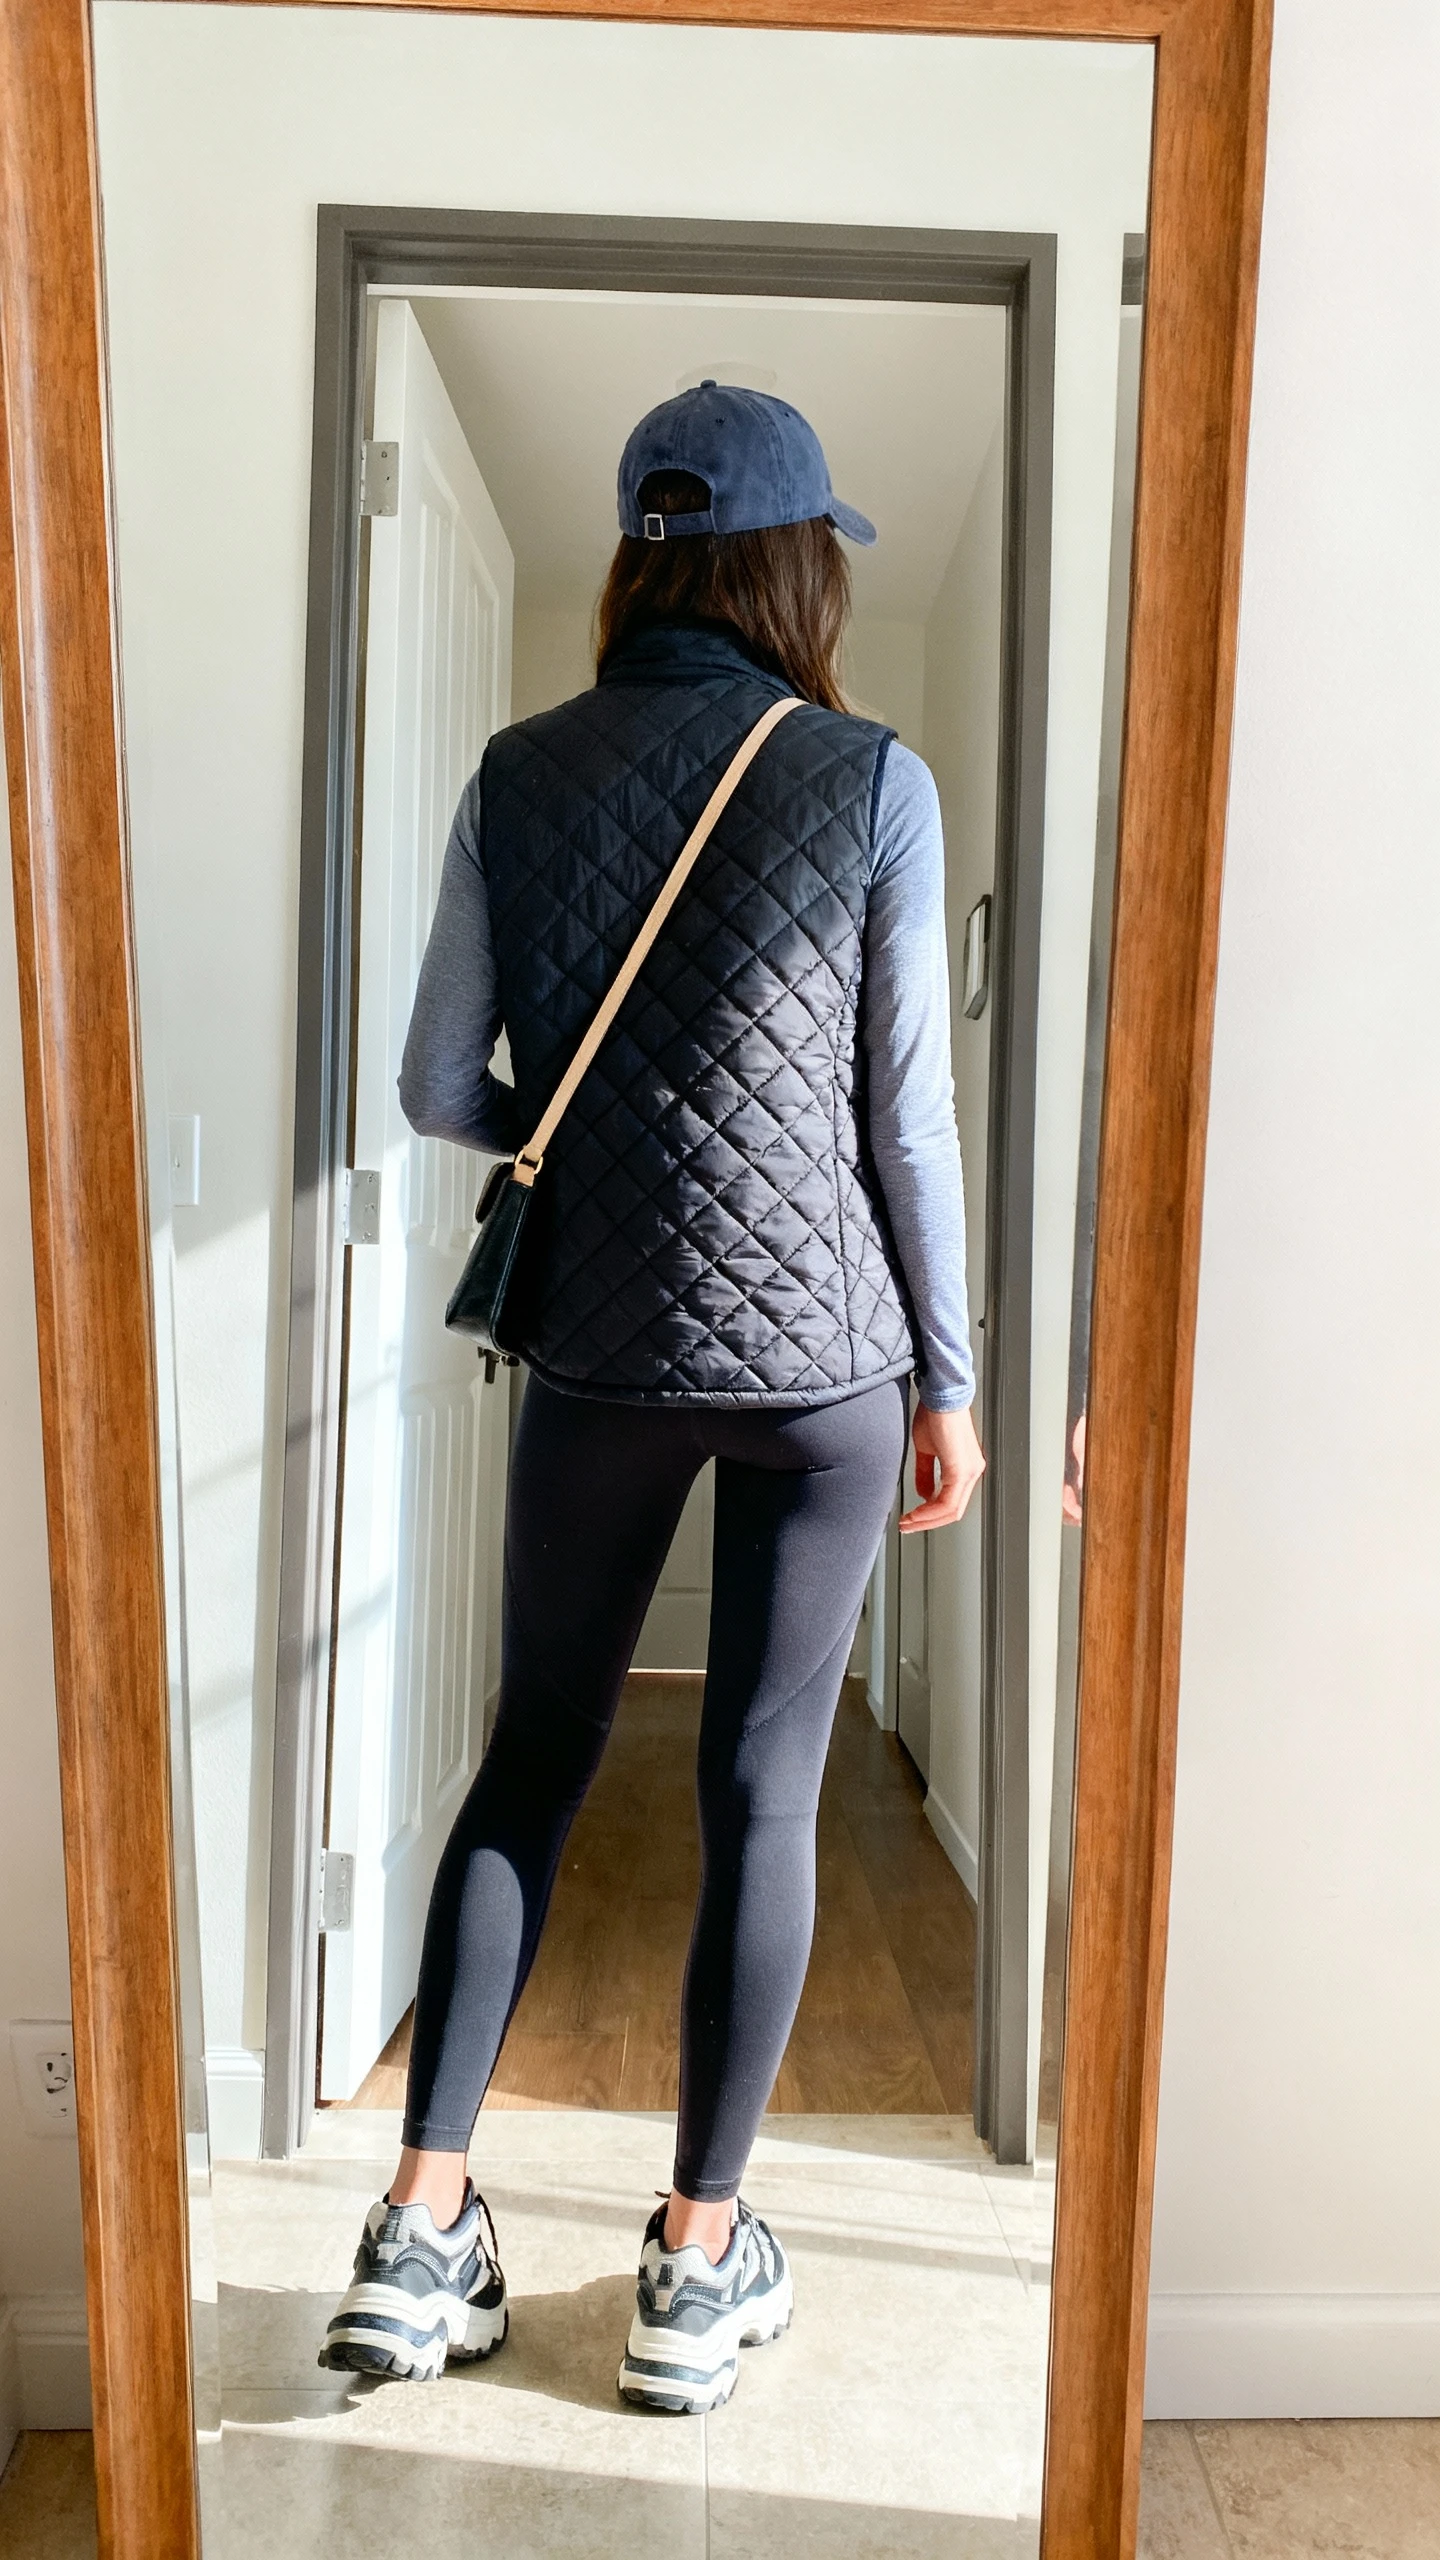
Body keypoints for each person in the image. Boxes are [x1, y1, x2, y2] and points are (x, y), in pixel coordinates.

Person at [319, 382, 984, 2413]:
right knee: (760, 1794)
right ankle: (699, 2264)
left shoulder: (518, 771)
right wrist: (952, 1375)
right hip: (829, 1375)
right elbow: (906, 1124)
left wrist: (593, 1138)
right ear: (798, 562)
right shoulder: (870, 775)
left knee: (533, 1760)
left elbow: (442, 1083)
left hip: (600, 1350)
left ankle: (421, 2226)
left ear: (633, 551)